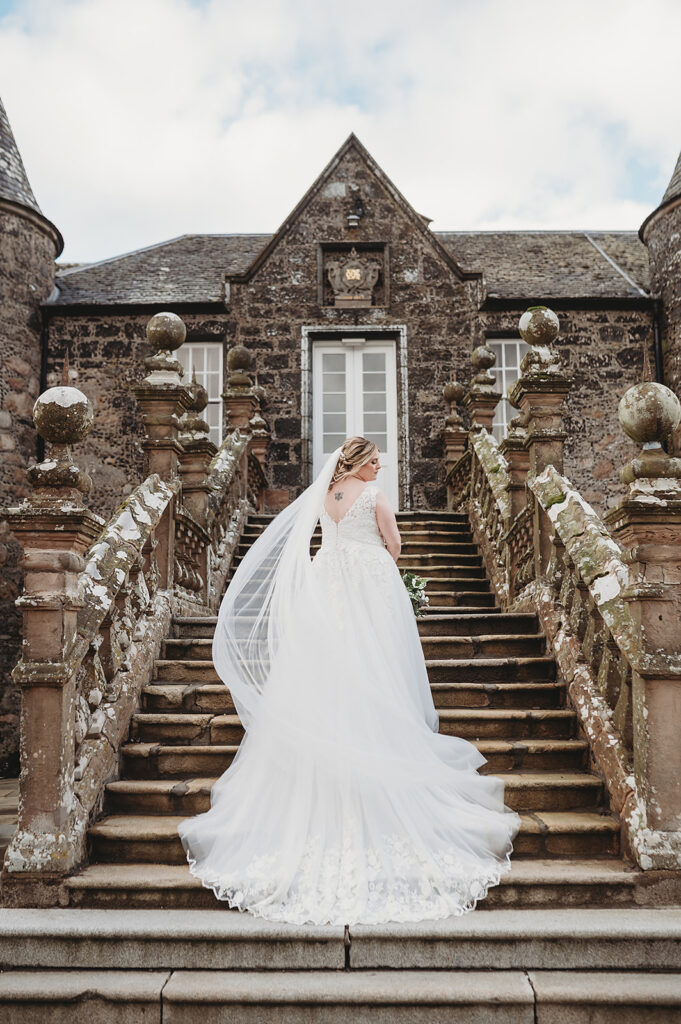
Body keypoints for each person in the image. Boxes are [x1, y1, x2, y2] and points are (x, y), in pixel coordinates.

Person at [177, 436, 521, 925]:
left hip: (326, 585)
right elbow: (394, 543)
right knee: (374, 666)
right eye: (374, 460)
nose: (379, 466)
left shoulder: (322, 496)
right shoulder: (375, 497)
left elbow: (314, 542)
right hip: (368, 586)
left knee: (323, 674)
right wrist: (384, 567)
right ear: (357, 462)